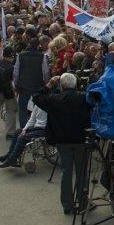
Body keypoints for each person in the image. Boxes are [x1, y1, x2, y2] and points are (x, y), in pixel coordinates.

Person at [34, 73, 92, 215]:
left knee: (66, 172)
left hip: (62, 140)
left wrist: (49, 84)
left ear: (61, 86)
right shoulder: (83, 98)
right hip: (81, 139)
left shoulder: (54, 99)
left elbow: (36, 97)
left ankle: (67, 204)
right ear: (75, 85)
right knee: (82, 172)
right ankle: (82, 202)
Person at [0, 91, 48, 169]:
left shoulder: (49, 107)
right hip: (37, 127)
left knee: (23, 137)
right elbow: (32, 119)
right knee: (18, 132)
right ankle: (9, 155)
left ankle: (12, 159)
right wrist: (24, 129)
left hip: (45, 129)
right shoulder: (37, 106)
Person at [13, 37, 50, 130]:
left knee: (22, 108)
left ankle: (23, 128)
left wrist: (16, 84)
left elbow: (16, 72)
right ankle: (32, 128)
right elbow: (45, 72)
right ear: (38, 46)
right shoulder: (42, 56)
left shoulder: (20, 56)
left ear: (29, 44)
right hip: (37, 85)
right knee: (36, 108)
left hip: (23, 85)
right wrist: (46, 84)